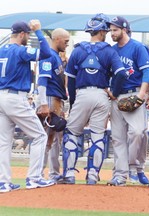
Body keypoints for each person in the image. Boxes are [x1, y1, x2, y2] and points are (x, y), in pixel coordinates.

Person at [61, 13, 127, 185]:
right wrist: (114, 92)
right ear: (102, 31)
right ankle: (92, 175)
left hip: (82, 93)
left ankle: (69, 174)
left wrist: (74, 102)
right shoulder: (109, 51)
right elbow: (122, 73)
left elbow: (71, 81)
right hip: (101, 95)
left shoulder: (78, 50)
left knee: (72, 133)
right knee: (98, 135)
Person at [0, 20, 55, 192]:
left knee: (4, 142)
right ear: (22, 34)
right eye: (28, 34)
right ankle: (34, 178)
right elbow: (46, 53)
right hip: (16, 98)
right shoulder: (21, 51)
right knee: (39, 136)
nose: (29, 37)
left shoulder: (1, 50)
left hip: (1, 96)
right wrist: (39, 31)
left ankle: (3, 182)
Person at [107, 16, 149, 186]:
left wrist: (142, 93)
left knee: (138, 132)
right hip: (116, 96)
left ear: (124, 30)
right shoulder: (112, 50)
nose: (112, 33)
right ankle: (120, 174)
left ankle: (135, 166)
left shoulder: (137, 47)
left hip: (134, 95)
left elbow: (147, 71)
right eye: (111, 30)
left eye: (115, 30)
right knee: (118, 138)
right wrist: (108, 91)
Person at [37, 28, 70, 182]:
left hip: (57, 100)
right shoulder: (48, 55)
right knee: (45, 139)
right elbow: (42, 82)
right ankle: (37, 174)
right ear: (57, 39)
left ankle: (54, 174)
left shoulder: (56, 56)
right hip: (49, 99)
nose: (67, 44)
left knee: (54, 139)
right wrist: (43, 104)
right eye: (66, 41)